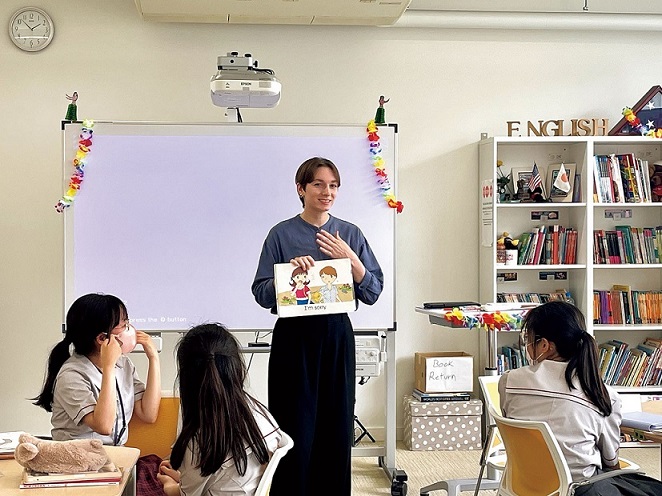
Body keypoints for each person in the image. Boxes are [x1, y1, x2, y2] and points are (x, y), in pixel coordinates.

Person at [252, 156, 384, 496]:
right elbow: (261, 292)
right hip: (294, 338)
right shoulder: (281, 234)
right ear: (301, 189)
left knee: (337, 422)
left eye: (334, 186)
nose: (327, 192)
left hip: (337, 335)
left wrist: (351, 259)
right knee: (294, 422)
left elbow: (372, 290)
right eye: (319, 185)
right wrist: (288, 277)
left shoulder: (350, 233)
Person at [499, 301, 662, 495]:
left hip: (522, 484)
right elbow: (610, 462)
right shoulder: (602, 395)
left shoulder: (509, 381)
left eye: (528, 340)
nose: (526, 346)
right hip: (578, 489)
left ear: (544, 345)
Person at [156, 323, 282, 496]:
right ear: (237, 368)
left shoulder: (200, 440)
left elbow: (184, 494)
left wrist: (169, 484)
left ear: (185, 380)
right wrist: (182, 474)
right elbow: (220, 475)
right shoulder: (259, 412)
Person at [33, 293, 161, 445]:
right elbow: (104, 426)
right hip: (78, 459)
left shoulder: (124, 365)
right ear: (102, 338)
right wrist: (108, 367)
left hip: (113, 457)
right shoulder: (71, 375)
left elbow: (148, 414)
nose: (129, 330)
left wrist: (153, 358)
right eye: (123, 326)